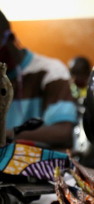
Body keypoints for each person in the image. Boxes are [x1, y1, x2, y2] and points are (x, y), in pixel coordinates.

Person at [0, 10, 76, 149]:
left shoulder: (50, 72)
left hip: (38, 168)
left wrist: (6, 134)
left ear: (10, 39)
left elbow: (63, 133)